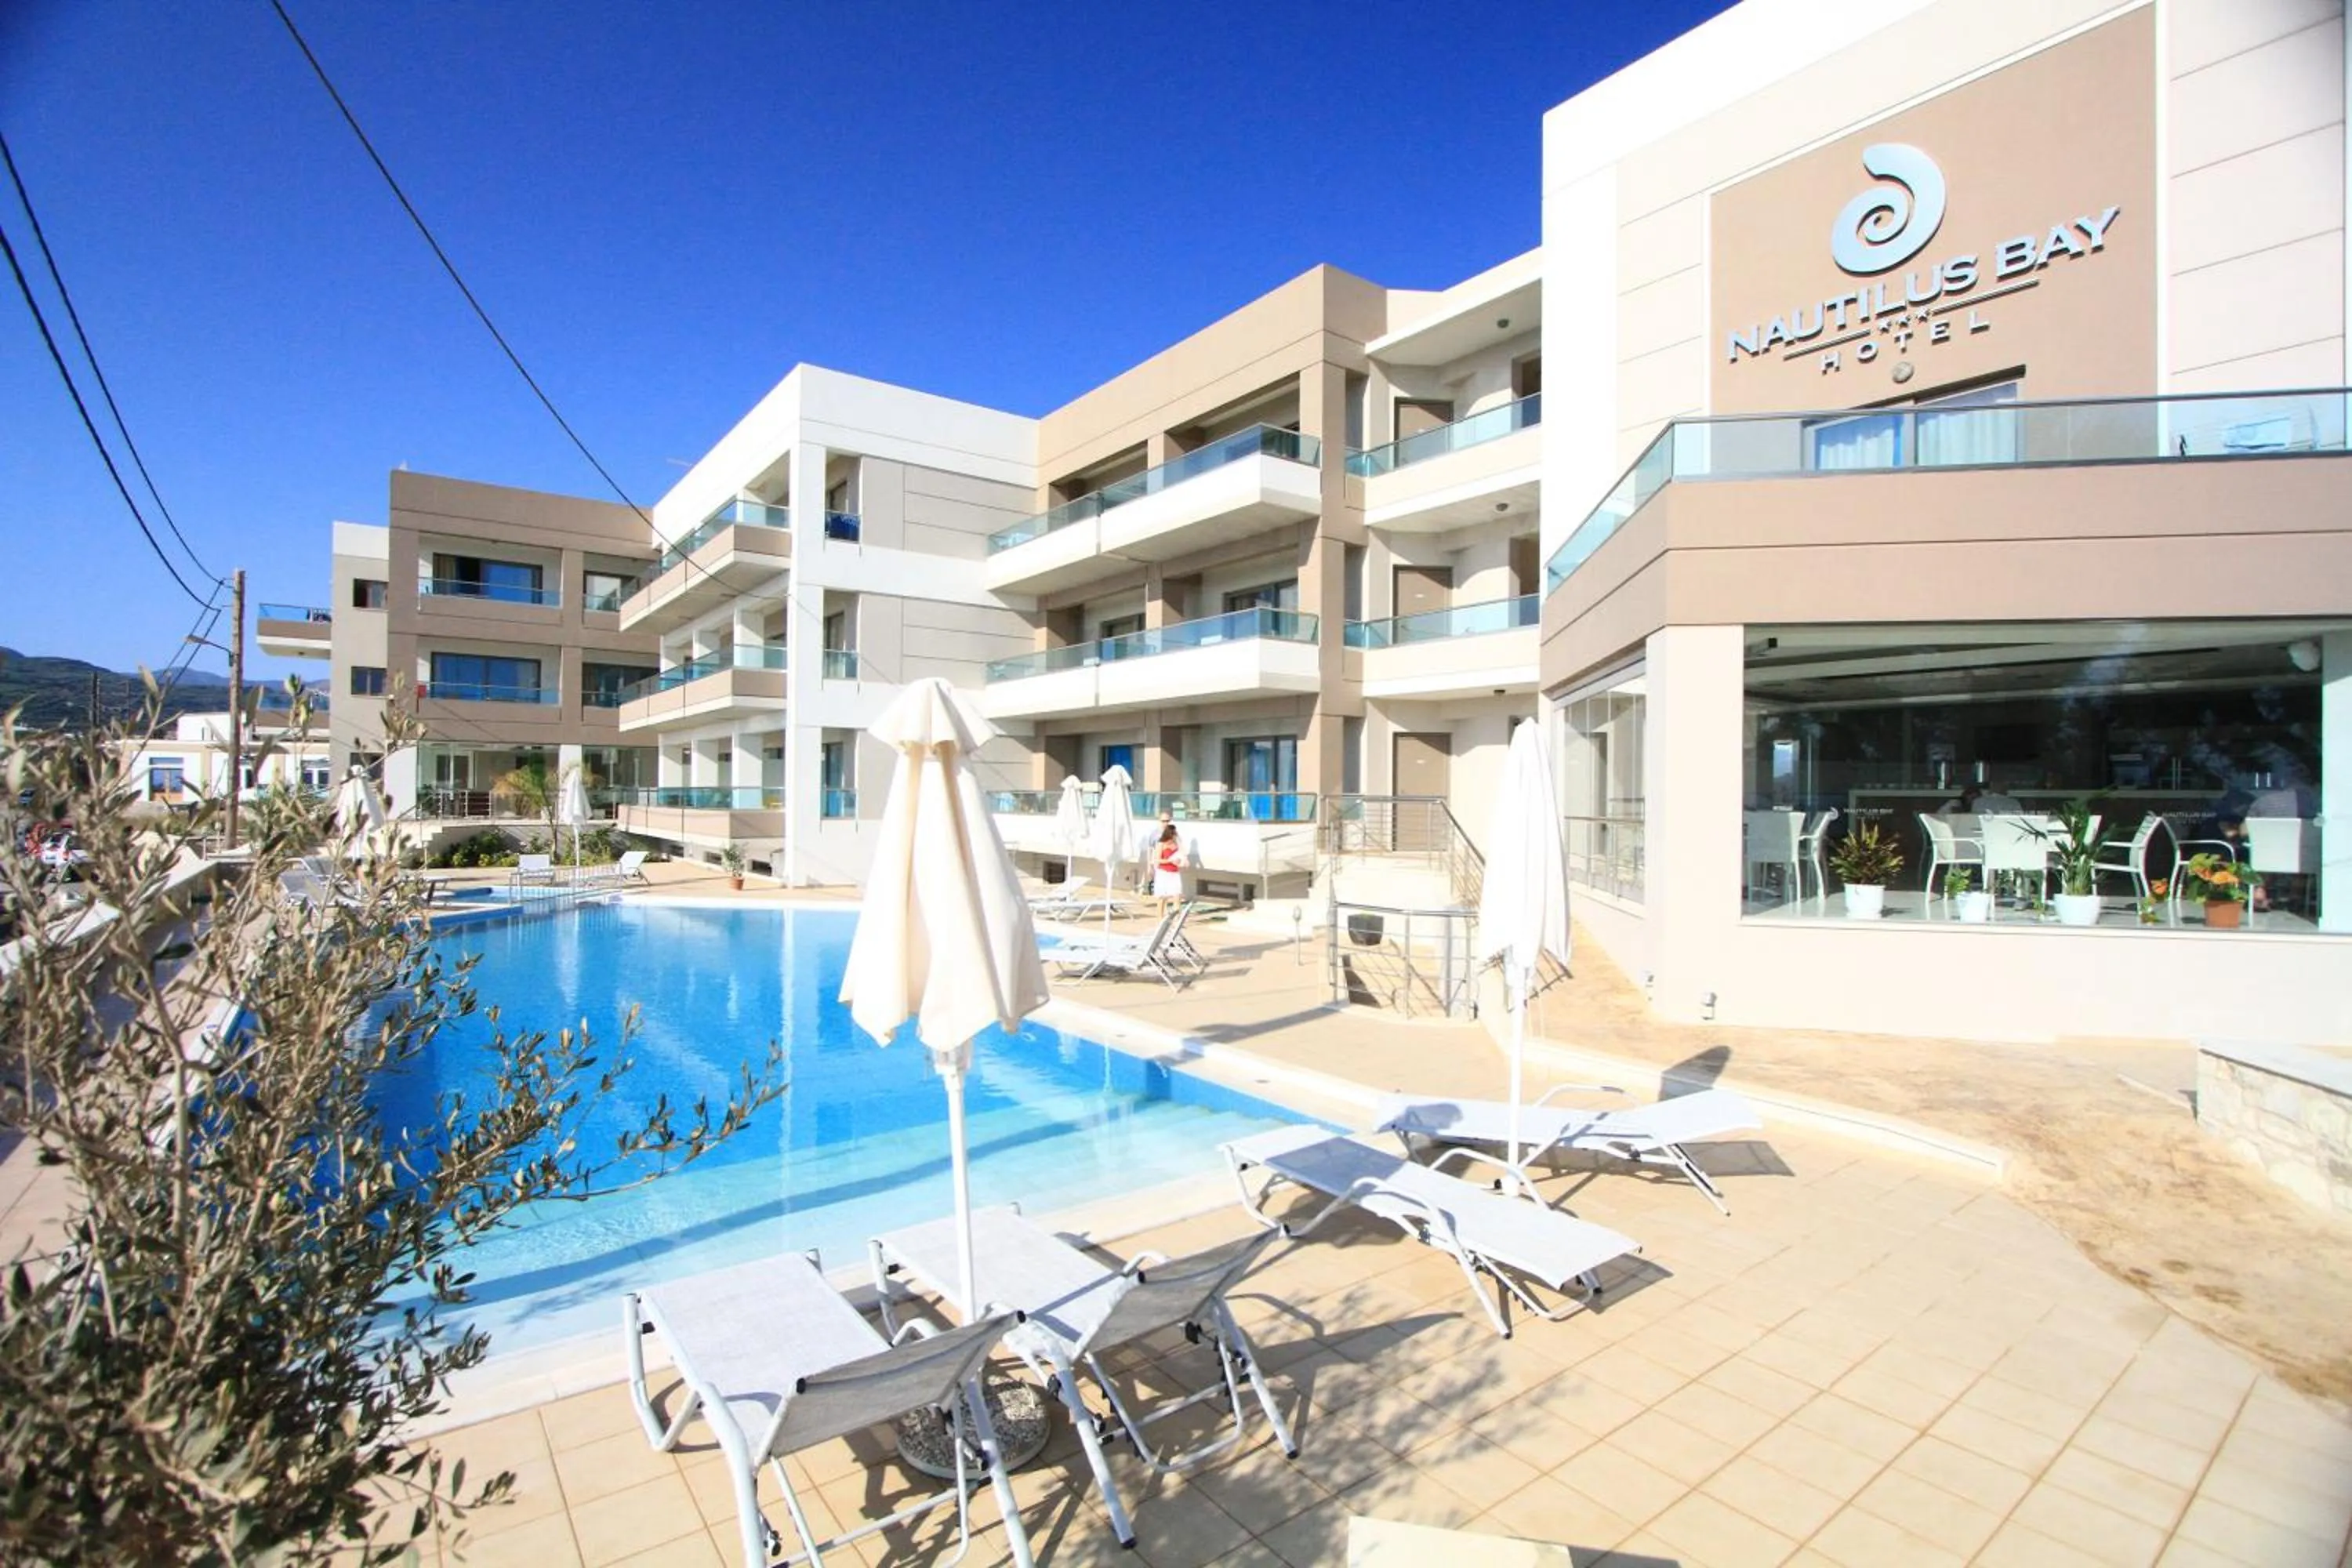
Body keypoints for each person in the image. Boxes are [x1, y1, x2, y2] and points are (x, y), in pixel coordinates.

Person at [1152, 820, 1185, 915]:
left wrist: (1181, 861)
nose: (1174, 836)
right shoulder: (1161, 844)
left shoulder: (1176, 844)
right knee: (1162, 897)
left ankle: (1177, 918)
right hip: (1164, 872)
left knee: (1177, 896)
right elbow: (1158, 859)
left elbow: (1181, 854)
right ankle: (1160, 918)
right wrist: (1170, 861)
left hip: (1174, 872)